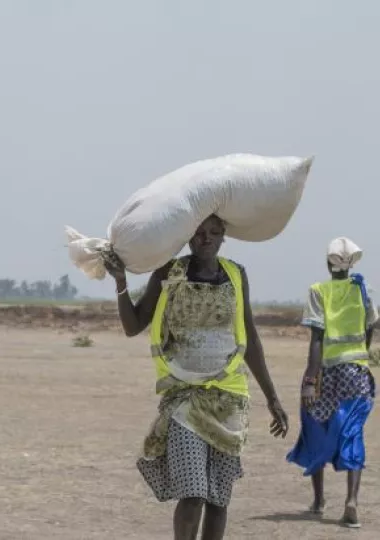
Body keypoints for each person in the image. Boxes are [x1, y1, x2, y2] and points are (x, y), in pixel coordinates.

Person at [104, 214, 288, 540]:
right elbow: (134, 325)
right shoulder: (169, 272)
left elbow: (251, 338)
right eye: (199, 233)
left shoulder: (235, 274)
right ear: (188, 237)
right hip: (183, 398)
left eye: (213, 233)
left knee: (218, 498)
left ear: (223, 236)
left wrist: (272, 397)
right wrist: (120, 282)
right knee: (192, 494)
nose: (205, 239)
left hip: (229, 399)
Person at [287, 237, 377, 529]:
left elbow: (316, 340)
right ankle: (351, 501)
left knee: (315, 426)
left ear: (328, 263)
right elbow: (369, 331)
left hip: (327, 373)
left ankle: (319, 500)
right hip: (357, 375)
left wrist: (311, 381)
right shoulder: (364, 289)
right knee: (353, 433)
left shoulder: (318, 291)